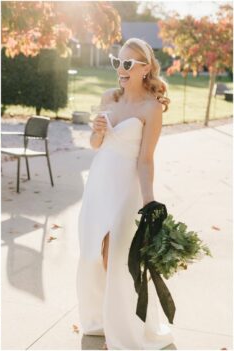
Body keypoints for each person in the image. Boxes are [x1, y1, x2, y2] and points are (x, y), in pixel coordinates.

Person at [77, 38, 173, 349]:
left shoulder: (151, 108)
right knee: (92, 254)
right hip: (99, 183)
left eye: (128, 64)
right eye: (116, 61)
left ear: (145, 69)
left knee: (117, 259)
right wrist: (97, 131)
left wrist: (150, 203)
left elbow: (145, 160)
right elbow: (94, 145)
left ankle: (120, 333)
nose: (121, 68)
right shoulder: (109, 97)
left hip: (126, 187)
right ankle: (99, 319)